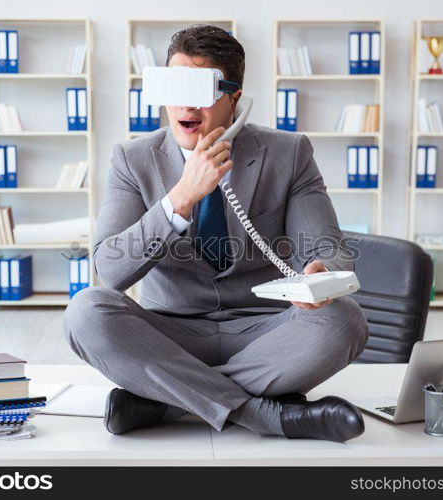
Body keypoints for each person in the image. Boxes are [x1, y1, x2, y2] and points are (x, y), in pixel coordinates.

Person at [64, 25, 369, 441]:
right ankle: (266, 415)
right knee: (86, 311)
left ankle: (166, 401)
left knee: (345, 318)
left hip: (266, 333)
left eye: (201, 89)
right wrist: (182, 197)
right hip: (170, 334)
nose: (185, 104)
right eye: (175, 86)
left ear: (235, 99)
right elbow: (110, 271)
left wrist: (321, 272)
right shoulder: (132, 160)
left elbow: (327, 247)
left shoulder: (289, 152)